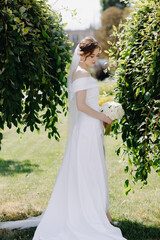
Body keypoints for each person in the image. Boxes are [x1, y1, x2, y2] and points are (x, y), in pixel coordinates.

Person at [0, 36, 127, 240]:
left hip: (92, 127)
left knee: (95, 168)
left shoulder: (84, 72)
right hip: (86, 128)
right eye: (91, 55)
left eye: (96, 56)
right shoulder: (79, 74)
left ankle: (102, 212)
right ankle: (92, 214)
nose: (95, 59)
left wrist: (103, 113)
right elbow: (82, 106)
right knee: (88, 170)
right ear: (82, 54)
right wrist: (103, 115)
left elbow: (90, 103)